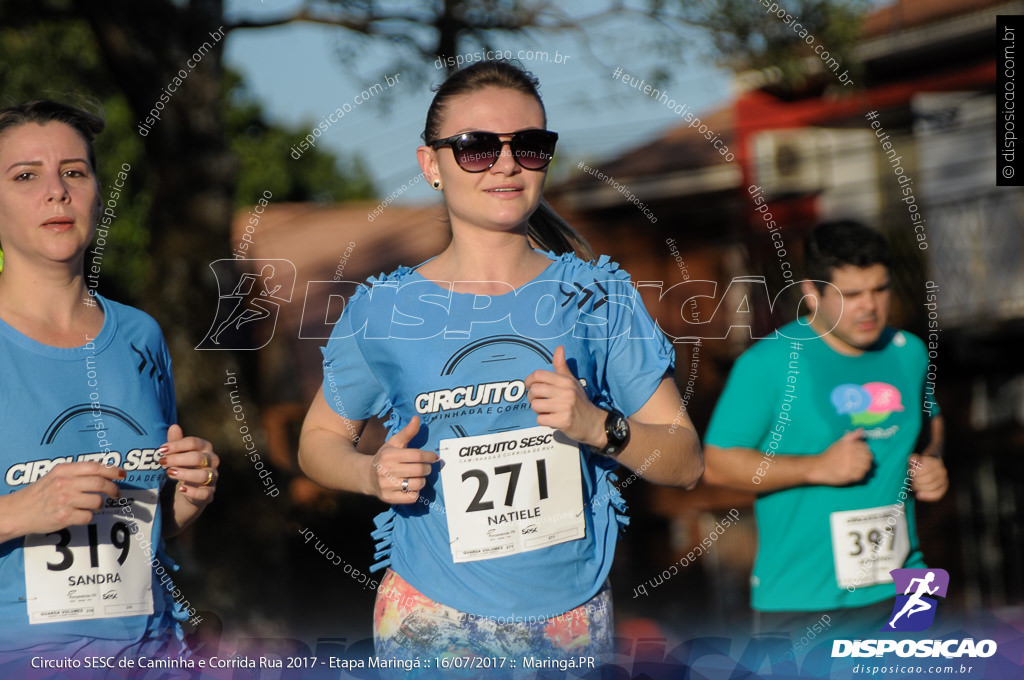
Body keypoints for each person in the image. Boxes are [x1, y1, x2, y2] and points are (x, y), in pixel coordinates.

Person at [298, 60, 703, 669]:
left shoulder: (599, 296)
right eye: (477, 148)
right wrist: (368, 473)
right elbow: (319, 440)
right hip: (431, 615)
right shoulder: (383, 308)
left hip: (572, 617)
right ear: (430, 164)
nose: (507, 163)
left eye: (530, 146)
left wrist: (599, 427)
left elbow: (686, 461)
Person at [0, 100, 219, 670]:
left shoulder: (140, 335)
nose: (57, 191)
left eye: (74, 171)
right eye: (26, 176)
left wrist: (185, 501)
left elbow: (143, 532)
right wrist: (21, 512)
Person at [703, 221, 947, 638]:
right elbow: (716, 465)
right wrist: (817, 467)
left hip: (909, 586)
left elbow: (931, 420)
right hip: (803, 600)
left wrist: (934, 460)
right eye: (852, 294)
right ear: (811, 293)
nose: (869, 306)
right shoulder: (768, 364)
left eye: (880, 289)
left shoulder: (909, 353)